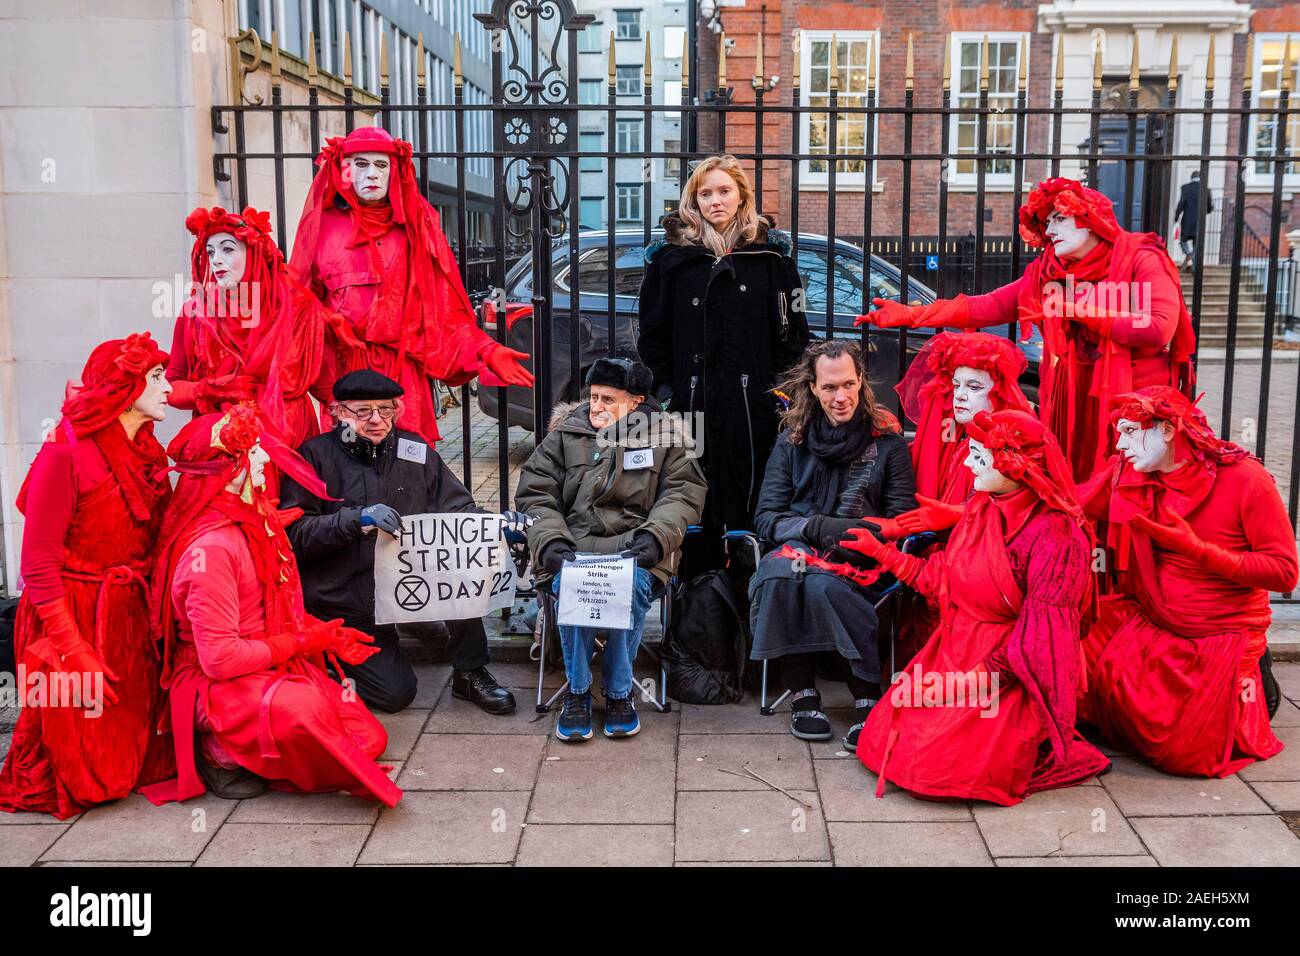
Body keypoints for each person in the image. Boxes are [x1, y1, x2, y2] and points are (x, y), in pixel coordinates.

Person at [840, 409, 1111, 806]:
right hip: (955, 650)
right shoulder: (983, 506)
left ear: (1016, 466)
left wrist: (963, 685)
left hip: (1008, 672)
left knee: (938, 767)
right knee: (886, 741)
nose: (967, 463)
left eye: (980, 458)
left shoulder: (1059, 535)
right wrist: (882, 552)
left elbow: (1040, 642)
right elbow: (942, 580)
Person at [142, 404, 401, 806]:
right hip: (217, 682)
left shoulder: (252, 521)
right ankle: (216, 750)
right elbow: (221, 661)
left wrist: (314, 634)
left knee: (368, 738)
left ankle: (253, 747)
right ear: (225, 472)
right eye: (254, 452)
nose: (265, 459)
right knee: (306, 712)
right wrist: (301, 643)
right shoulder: (211, 549)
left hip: (263, 663)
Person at [857, 177, 1196, 483]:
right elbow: (985, 305)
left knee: (1132, 486)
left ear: (1091, 220)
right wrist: (910, 315)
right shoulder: (1047, 272)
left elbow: (1157, 329)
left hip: (1134, 400)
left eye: (1060, 219)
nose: (1050, 230)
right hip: (1072, 401)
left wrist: (1078, 310)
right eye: (1047, 222)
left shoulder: (1140, 257)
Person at [1077, 386, 1296, 777]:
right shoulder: (1130, 470)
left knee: (1182, 755)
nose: (1120, 444)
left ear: (1166, 430)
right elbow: (1068, 505)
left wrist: (1197, 549)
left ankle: (1252, 683)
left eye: (1129, 430)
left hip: (1219, 629)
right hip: (1153, 615)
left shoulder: (1246, 479)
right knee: (1073, 652)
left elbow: (1283, 572)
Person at [0, 334, 175, 819]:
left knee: (137, 760)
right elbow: (36, 564)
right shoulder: (65, 452)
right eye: (157, 378)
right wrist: (72, 648)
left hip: (128, 610)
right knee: (84, 774)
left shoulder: (149, 452)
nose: (169, 388)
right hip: (72, 610)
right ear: (125, 385)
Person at [278, 370, 521, 715]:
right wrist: (356, 520)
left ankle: (469, 672)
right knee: (396, 694)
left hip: (407, 585)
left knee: (463, 567)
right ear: (339, 413)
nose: (377, 420)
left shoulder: (415, 450)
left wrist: (493, 524)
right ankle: (326, 666)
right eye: (363, 411)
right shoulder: (314, 456)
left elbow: (456, 507)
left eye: (386, 409)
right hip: (347, 595)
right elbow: (295, 533)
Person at [289, 125, 534, 446]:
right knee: (348, 471)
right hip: (345, 375)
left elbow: (443, 306)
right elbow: (297, 302)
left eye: (381, 165)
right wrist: (326, 322)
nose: (372, 175)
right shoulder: (323, 226)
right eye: (361, 164)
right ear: (343, 169)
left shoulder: (417, 226)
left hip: (403, 377)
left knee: (408, 466)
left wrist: (485, 348)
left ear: (395, 171)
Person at [515, 358, 707, 741]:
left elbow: (683, 495)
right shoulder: (566, 435)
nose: (595, 406)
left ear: (636, 402)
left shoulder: (668, 439)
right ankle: (579, 691)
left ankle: (620, 693)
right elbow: (535, 494)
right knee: (571, 586)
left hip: (636, 551)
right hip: (572, 549)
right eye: (592, 397)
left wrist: (656, 537)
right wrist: (550, 541)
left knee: (628, 588)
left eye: (608, 399)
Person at [637, 154, 810, 568]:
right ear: (693, 200)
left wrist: (779, 395)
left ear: (742, 195)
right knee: (692, 500)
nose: (715, 200)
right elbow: (651, 333)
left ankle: (748, 588)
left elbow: (794, 336)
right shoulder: (670, 260)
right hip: (689, 404)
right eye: (705, 192)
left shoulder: (771, 258)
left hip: (753, 408)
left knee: (748, 501)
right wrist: (667, 390)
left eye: (724, 191)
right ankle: (696, 600)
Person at [747, 340, 916, 747]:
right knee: (782, 574)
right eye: (829, 388)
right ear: (813, 387)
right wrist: (814, 529)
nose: (840, 397)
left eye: (848, 385)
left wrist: (847, 533)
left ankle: (865, 695)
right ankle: (803, 693)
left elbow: (901, 520)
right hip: (801, 549)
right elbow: (767, 517)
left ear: (861, 382)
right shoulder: (792, 442)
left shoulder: (888, 445)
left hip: (862, 558)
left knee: (817, 582)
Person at [871, 331, 1034, 661]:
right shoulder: (957, 435)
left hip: (989, 585)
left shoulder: (1016, 442)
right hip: (944, 570)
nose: (960, 396)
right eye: (956, 386)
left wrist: (960, 516)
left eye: (974, 388)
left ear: (999, 392)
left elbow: (1023, 516)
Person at [169, 205, 341, 448]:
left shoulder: (300, 308)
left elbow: (328, 388)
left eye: (227, 249)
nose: (216, 259)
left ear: (255, 252)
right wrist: (206, 389)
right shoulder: (194, 313)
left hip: (290, 438)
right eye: (209, 252)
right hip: (224, 443)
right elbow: (171, 387)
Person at [1175, 171, 1212, 269]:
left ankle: (1189, 254)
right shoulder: (1206, 189)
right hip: (1200, 221)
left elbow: (1181, 204)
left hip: (1187, 220)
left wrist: (1176, 217)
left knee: (1183, 241)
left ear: (1191, 177)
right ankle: (1194, 267)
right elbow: (1209, 207)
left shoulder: (1185, 188)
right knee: (1196, 243)